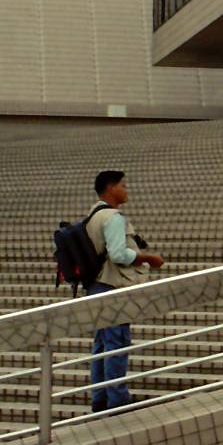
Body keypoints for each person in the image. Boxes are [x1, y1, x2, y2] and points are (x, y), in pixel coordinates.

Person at [86, 170, 165, 413]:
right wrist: (147, 257)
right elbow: (118, 254)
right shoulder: (113, 218)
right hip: (113, 286)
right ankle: (118, 399)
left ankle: (100, 397)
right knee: (117, 342)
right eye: (123, 185)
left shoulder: (92, 215)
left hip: (97, 285)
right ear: (110, 188)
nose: (126, 189)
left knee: (102, 343)